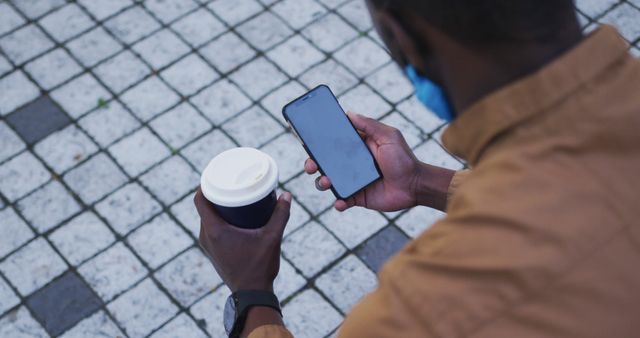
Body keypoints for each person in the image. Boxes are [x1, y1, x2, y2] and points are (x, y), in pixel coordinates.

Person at [194, 0, 640, 337]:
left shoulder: (426, 309)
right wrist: (424, 182)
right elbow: (573, 199)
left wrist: (253, 295)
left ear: (400, 34)